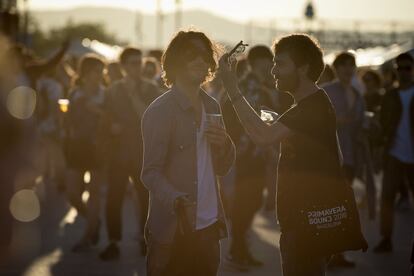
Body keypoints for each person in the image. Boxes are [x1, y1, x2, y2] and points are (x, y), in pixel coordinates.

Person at [219, 33, 366, 276]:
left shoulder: (308, 108)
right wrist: (288, 133)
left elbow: (262, 137)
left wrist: (232, 87)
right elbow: (336, 157)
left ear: (304, 68)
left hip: (304, 225)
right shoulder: (317, 102)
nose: (274, 71)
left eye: (281, 64)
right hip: (314, 222)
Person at [141, 30, 235, 276]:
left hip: (209, 226)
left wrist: (225, 145)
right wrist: (178, 200)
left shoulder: (212, 106)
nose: (199, 60)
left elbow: (222, 167)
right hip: (173, 229)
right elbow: (150, 173)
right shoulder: (161, 111)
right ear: (175, 61)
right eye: (191, 54)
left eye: (205, 55)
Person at [99, 47, 160, 261]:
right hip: (118, 154)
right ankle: (113, 241)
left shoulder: (151, 89)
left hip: (143, 153)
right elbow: (104, 121)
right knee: (114, 198)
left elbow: (150, 118)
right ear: (123, 66)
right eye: (133, 63)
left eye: (140, 62)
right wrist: (110, 128)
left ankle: (145, 239)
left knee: (145, 199)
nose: (138, 67)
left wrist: (134, 94)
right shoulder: (113, 90)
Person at [63, 54, 107, 251]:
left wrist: (96, 110)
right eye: (95, 71)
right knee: (72, 193)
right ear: (85, 73)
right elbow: (68, 118)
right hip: (76, 146)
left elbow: (110, 117)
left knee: (95, 193)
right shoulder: (75, 93)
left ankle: (87, 236)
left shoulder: (105, 95)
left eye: (100, 71)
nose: (99, 75)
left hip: (98, 147)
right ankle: (93, 220)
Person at [375, 53, 414, 253]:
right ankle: (386, 238)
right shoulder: (390, 95)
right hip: (394, 153)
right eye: (401, 69)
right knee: (387, 198)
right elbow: (382, 124)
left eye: (408, 68)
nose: (404, 72)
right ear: (395, 71)